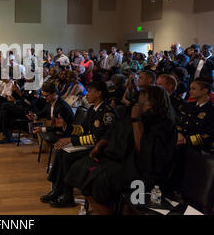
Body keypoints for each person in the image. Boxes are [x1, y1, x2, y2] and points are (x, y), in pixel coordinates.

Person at [66, 86, 177, 214]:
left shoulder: (164, 125)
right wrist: (101, 144)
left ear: (151, 104)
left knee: (101, 179)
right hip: (122, 160)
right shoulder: (133, 114)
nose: (137, 104)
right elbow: (114, 130)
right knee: (81, 166)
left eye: (141, 102)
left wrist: (136, 120)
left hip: (143, 170)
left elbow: (144, 152)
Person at [38, 81, 116, 208]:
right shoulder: (92, 109)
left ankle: (68, 196)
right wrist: (65, 126)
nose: (87, 95)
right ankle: (58, 190)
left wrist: (70, 140)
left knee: (67, 156)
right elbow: (82, 129)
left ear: (99, 93)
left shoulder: (107, 113)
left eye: (90, 92)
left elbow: (97, 138)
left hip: (99, 150)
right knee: (61, 151)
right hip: (88, 144)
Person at [177, 78, 213, 152]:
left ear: (204, 91)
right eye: (190, 89)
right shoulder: (188, 105)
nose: (190, 91)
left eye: (193, 89)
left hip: (199, 149)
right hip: (180, 144)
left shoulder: (211, 110)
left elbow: (208, 135)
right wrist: (179, 133)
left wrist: (186, 140)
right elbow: (179, 123)